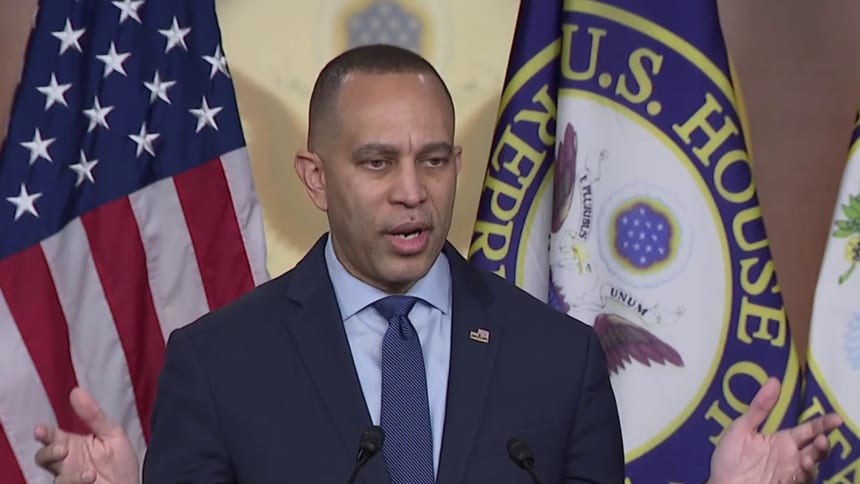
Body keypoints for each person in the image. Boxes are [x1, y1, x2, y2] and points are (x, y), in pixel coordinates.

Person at [34, 44, 842, 483]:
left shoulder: (558, 360)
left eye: (433, 160)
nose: (412, 192)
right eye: (377, 162)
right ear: (315, 178)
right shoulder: (219, 364)